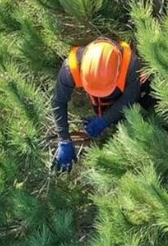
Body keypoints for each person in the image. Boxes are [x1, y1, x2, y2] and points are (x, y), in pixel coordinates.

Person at [52, 37, 155, 172]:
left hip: (127, 91)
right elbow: (58, 101)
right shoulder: (71, 67)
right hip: (98, 96)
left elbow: (130, 97)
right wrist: (64, 139)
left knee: (150, 102)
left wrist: (105, 119)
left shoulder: (131, 64)